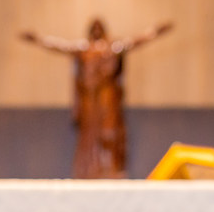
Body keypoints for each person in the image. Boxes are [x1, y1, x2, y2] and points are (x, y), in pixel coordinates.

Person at [20, 17, 173, 179]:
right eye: (94, 27)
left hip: (107, 98)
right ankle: (89, 169)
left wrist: (154, 32)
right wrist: (38, 39)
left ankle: (111, 168)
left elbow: (135, 41)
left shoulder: (113, 47)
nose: (97, 30)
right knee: (89, 136)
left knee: (110, 134)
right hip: (89, 100)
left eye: (100, 27)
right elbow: (61, 46)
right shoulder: (84, 49)